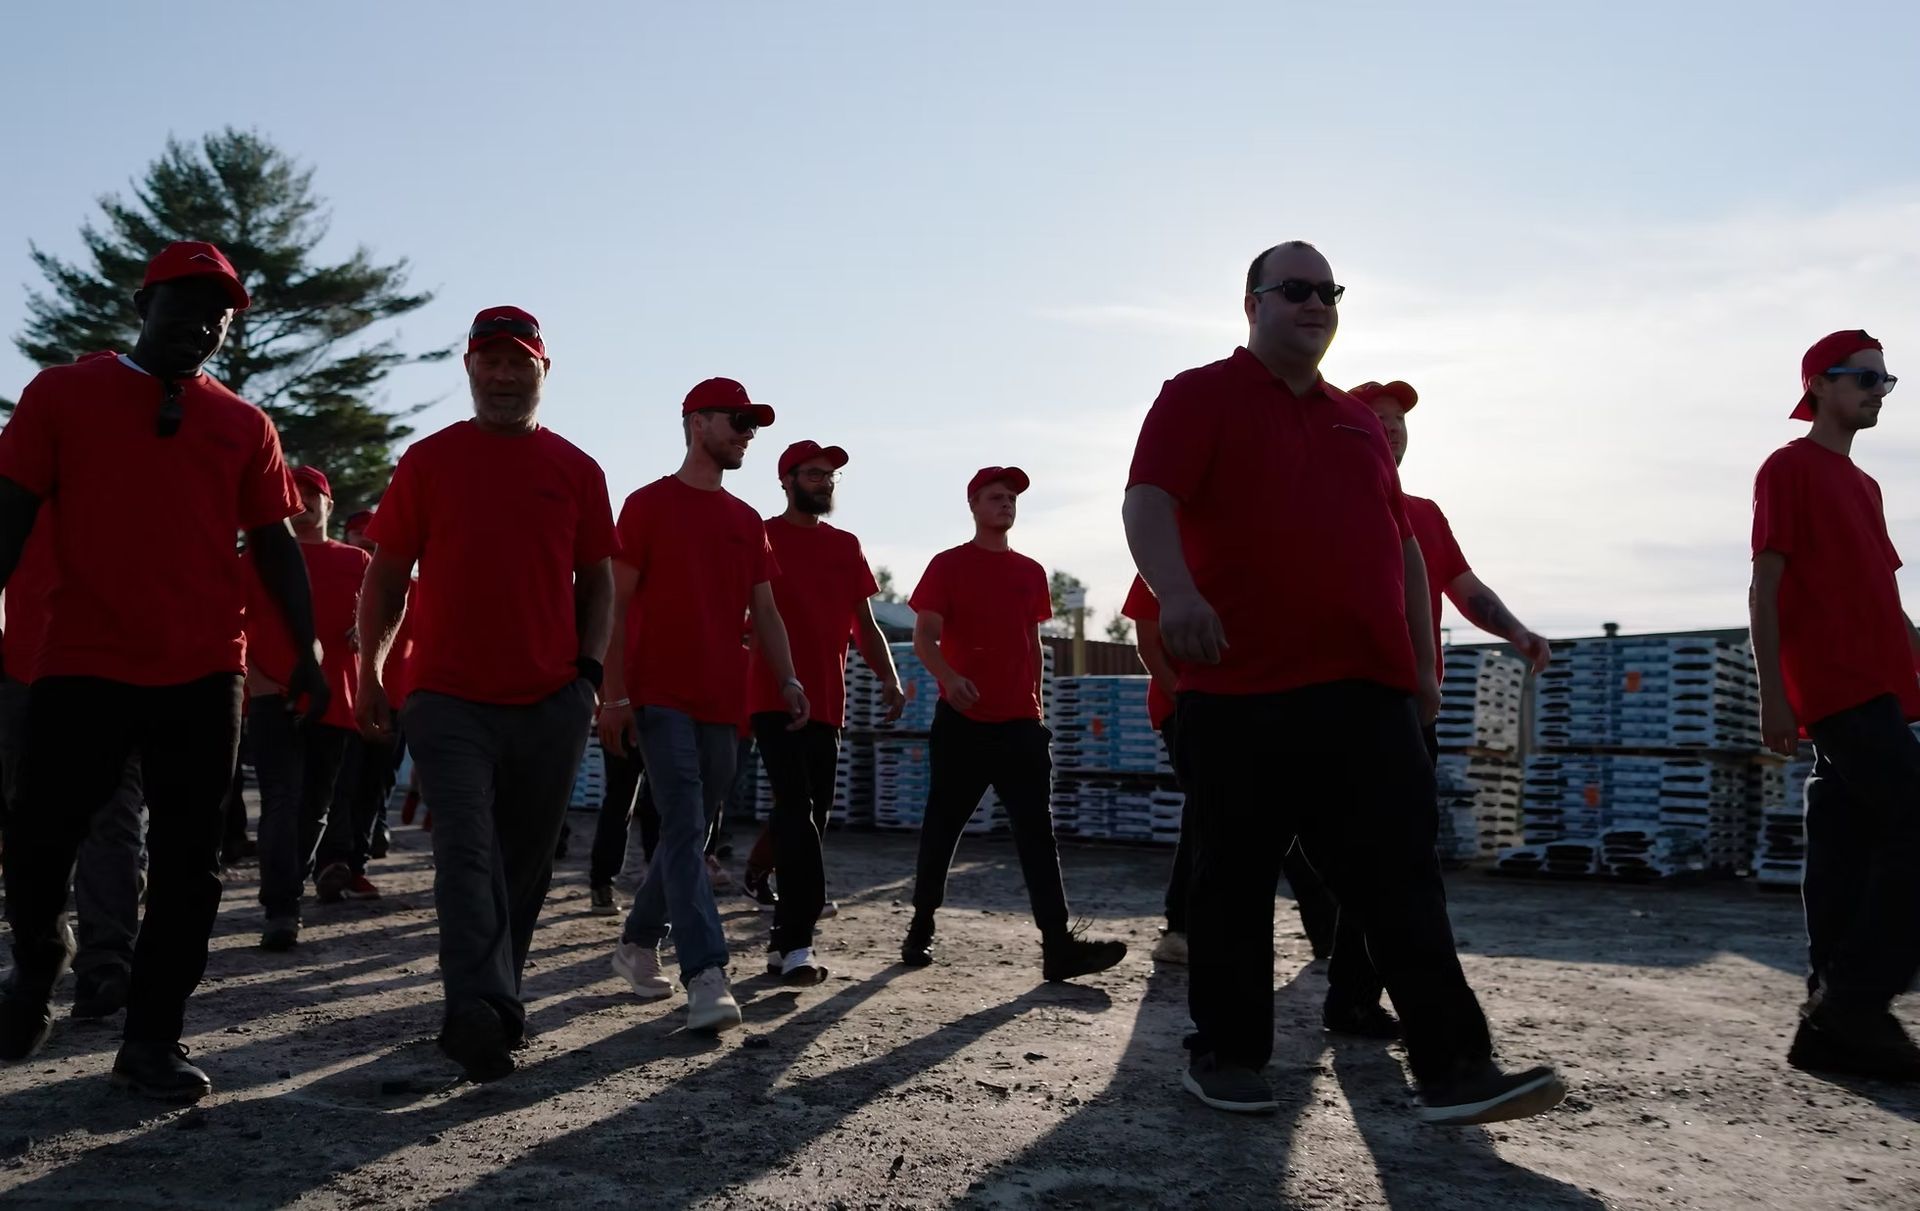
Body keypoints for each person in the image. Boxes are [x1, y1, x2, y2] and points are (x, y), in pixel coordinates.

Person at [1122, 239, 1564, 1122]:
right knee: (1234, 882)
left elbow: (1403, 551)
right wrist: (1177, 591)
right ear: (1252, 302)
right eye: (1296, 289)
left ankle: (1454, 1067)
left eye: (1330, 291)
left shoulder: (1356, 423)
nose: (1316, 303)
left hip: (1363, 694)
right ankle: (1227, 1054)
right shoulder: (1197, 393)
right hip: (1240, 689)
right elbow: (1147, 498)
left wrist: (1417, 672)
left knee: (1402, 880)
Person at [0, 241, 324, 1101]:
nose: (205, 324)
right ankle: (36, 967)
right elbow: (7, 517)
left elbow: (278, 548)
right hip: (82, 660)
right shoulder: (62, 394)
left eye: (220, 315)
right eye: (187, 304)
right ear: (145, 303)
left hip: (203, 671)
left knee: (192, 864)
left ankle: (151, 1038)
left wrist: (312, 653)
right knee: (37, 841)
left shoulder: (245, 425)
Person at [356, 306, 616, 1082]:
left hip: (549, 697)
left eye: (519, 363)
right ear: (469, 369)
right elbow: (386, 574)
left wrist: (590, 674)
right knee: (464, 850)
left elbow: (599, 579)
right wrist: (370, 670)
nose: (504, 376)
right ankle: (475, 1008)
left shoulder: (577, 469)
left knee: (524, 864)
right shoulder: (429, 461)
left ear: (544, 370)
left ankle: (497, 996)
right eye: (489, 362)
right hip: (447, 695)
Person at [1289, 379, 1556, 1037]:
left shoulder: (1425, 514)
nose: (1393, 428)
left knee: (1398, 856)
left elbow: (1464, 587)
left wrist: (1517, 631)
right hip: (1335, 703)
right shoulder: (1321, 504)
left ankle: (1354, 999)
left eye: (1401, 420)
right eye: (1377, 418)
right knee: (1368, 859)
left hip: (1410, 710)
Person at [599, 377, 808, 1029]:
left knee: (691, 829)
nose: (747, 433)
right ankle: (706, 973)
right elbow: (616, 604)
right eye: (738, 421)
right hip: (658, 694)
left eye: (753, 424)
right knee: (685, 822)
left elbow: (765, 611)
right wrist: (613, 695)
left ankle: (636, 943)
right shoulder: (647, 506)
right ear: (697, 422)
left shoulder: (746, 522)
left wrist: (791, 678)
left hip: (726, 701)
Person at [1750, 329, 1920, 1082]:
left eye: (1886, 382)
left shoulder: (1865, 485)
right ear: (1819, 384)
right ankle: (1855, 1002)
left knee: (1844, 850)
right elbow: (1765, 586)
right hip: (1836, 687)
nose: (1876, 391)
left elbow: (1884, 599)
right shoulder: (1789, 468)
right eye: (1863, 378)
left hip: (1876, 685)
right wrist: (1774, 698)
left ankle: (1828, 1018)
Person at [902, 467, 1127, 982]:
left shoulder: (1030, 571)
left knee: (1037, 835)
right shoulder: (948, 565)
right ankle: (921, 926)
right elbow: (925, 638)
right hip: (962, 723)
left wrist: (1038, 707)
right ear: (974, 506)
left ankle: (1058, 947)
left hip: (1020, 727)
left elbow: (1032, 644)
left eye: (1011, 499)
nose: (1006, 505)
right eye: (996, 497)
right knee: (943, 827)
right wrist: (949, 679)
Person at [741, 440, 906, 979]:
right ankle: (797, 943)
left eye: (830, 476)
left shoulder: (845, 545)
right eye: (813, 474)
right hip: (771, 694)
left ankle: (774, 918)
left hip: (828, 703)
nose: (824, 482)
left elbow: (865, 621)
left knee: (813, 814)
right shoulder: (760, 535)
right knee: (797, 809)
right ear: (786, 479)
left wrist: (889, 676)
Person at [1123, 576, 1336, 971]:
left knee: (1281, 809)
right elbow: (1148, 645)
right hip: (1185, 707)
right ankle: (1180, 930)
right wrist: (1184, 696)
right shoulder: (1161, 558)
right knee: (1206, 809)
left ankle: (1326, 929)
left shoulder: (1246, 550)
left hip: (1251, 701)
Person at [0, 521, 149, 1021]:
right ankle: (40, 955)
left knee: (113, 820)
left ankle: (106, 963)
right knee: (32, 827)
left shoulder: (139, 462)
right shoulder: (20, 468)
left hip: (117, 670)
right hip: (26, 670)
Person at [246, 464, 371, 949]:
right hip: (271, 694)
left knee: (315, 808)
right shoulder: (260, 556)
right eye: (292, 496)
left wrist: (366, 634)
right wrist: (256, 679)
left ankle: (287, 889)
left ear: (328, 504)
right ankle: (281, 906)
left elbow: (383, 617)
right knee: (281, 799)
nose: (302, 505)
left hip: (335, 697)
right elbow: (231, 619)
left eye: (311, 495)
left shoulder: (356, 561)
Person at [317, 508, 401, 876]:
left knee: (377, 782)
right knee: (343, 783)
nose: (366, 543)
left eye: (373, 538)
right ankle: (335, 859)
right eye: (359, 536)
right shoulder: (336, 571)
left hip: (396, 700)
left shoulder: (402, 586)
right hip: (346, 700)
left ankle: (357, 859)